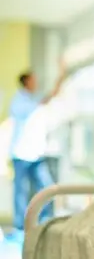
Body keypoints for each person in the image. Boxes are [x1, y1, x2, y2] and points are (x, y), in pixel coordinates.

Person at [6, 65, 66, 243]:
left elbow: (51, 96)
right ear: (26, 82)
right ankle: (19, 228)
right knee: (21, 192)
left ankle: (45, 222)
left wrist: (61, 75)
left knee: (46, 187)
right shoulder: (18, 101)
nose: (36, 83)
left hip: (36, 154)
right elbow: (44, 100)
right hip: (20, 154)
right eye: (33, 79)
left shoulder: (33, 99)